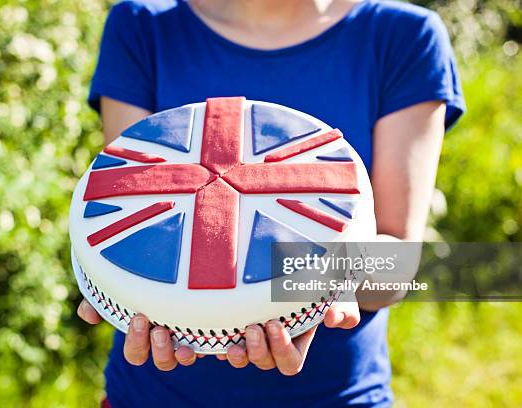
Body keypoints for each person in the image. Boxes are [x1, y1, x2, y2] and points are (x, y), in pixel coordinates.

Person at [76, 0, 465, 406]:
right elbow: (127, 213)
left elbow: (397, 264)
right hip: (151, 395)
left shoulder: (404, 35)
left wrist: (304, 285)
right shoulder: (143, 25)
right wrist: (105, 277)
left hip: (335, 397)